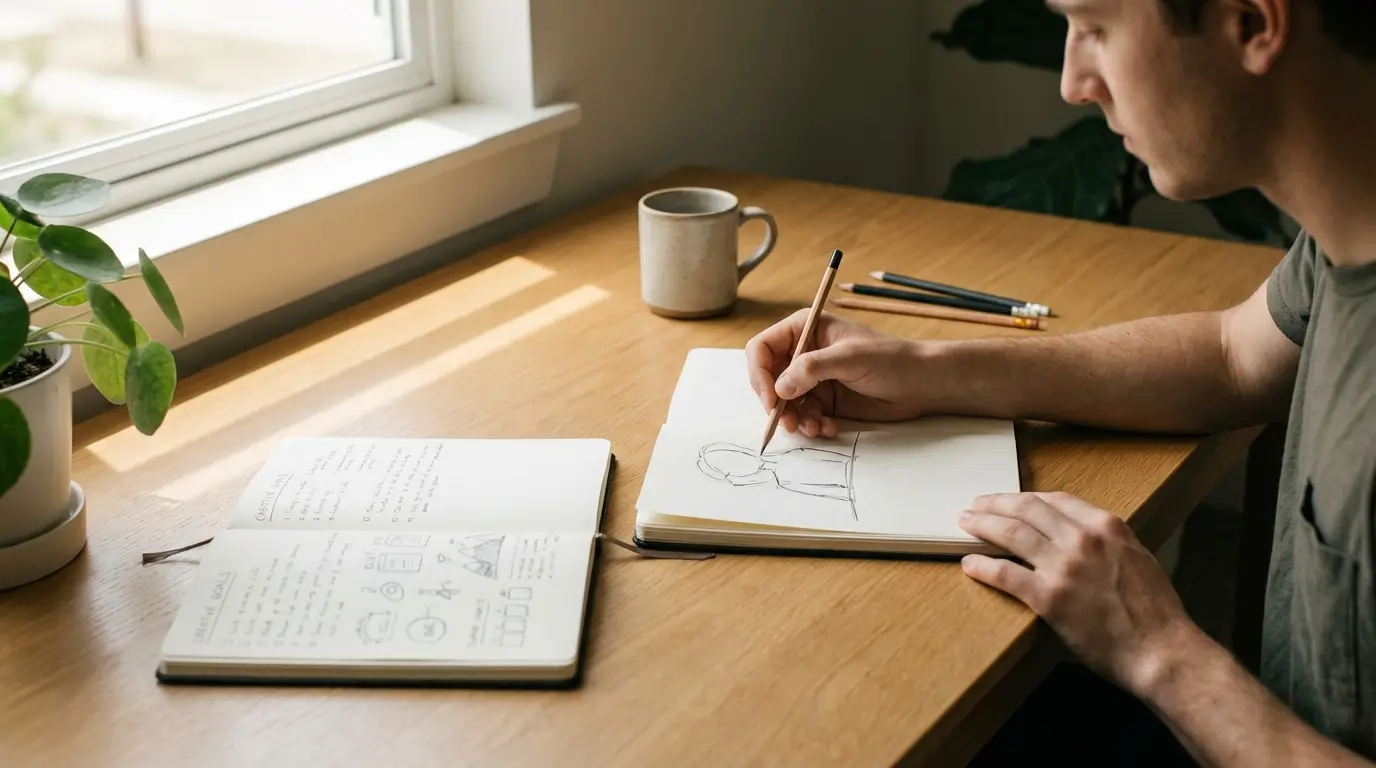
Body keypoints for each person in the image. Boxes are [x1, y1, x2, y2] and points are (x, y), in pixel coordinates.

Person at [745, 0, 1375, 764]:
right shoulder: (1348, 225)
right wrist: (931, 370)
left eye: (1097, 28)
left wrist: (1160, 652)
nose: (1075, 83)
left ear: (1250, 23)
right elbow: (1232, 355)